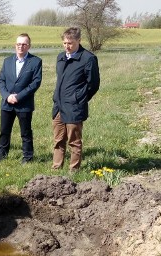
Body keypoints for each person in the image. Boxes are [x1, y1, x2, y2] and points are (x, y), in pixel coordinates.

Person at [52, 27, 100, 171]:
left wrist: (79, 98)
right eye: (65, 43)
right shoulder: (60, 57)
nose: (67, 46)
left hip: (74, 107)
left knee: (74, 141)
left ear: (79, 41)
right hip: (58, 106)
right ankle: (56, 168)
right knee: (58, 140)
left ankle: (74, 170)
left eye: (70, 43)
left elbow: (94, 84)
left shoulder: (88, 58)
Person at [0, 33, 43, 163]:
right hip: (7, 103)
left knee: (26, 132)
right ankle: (2, 155)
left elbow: (35, 83)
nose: (20, 47)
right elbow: (1, 81)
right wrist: (7, 96)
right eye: (18, 44)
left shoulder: (36, 62)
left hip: (24, 104)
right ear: (15, 45)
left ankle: (27, 157)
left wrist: (19, 96)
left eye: (24, 44)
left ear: (29, 46)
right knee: (4, 131)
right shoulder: (7, 61)